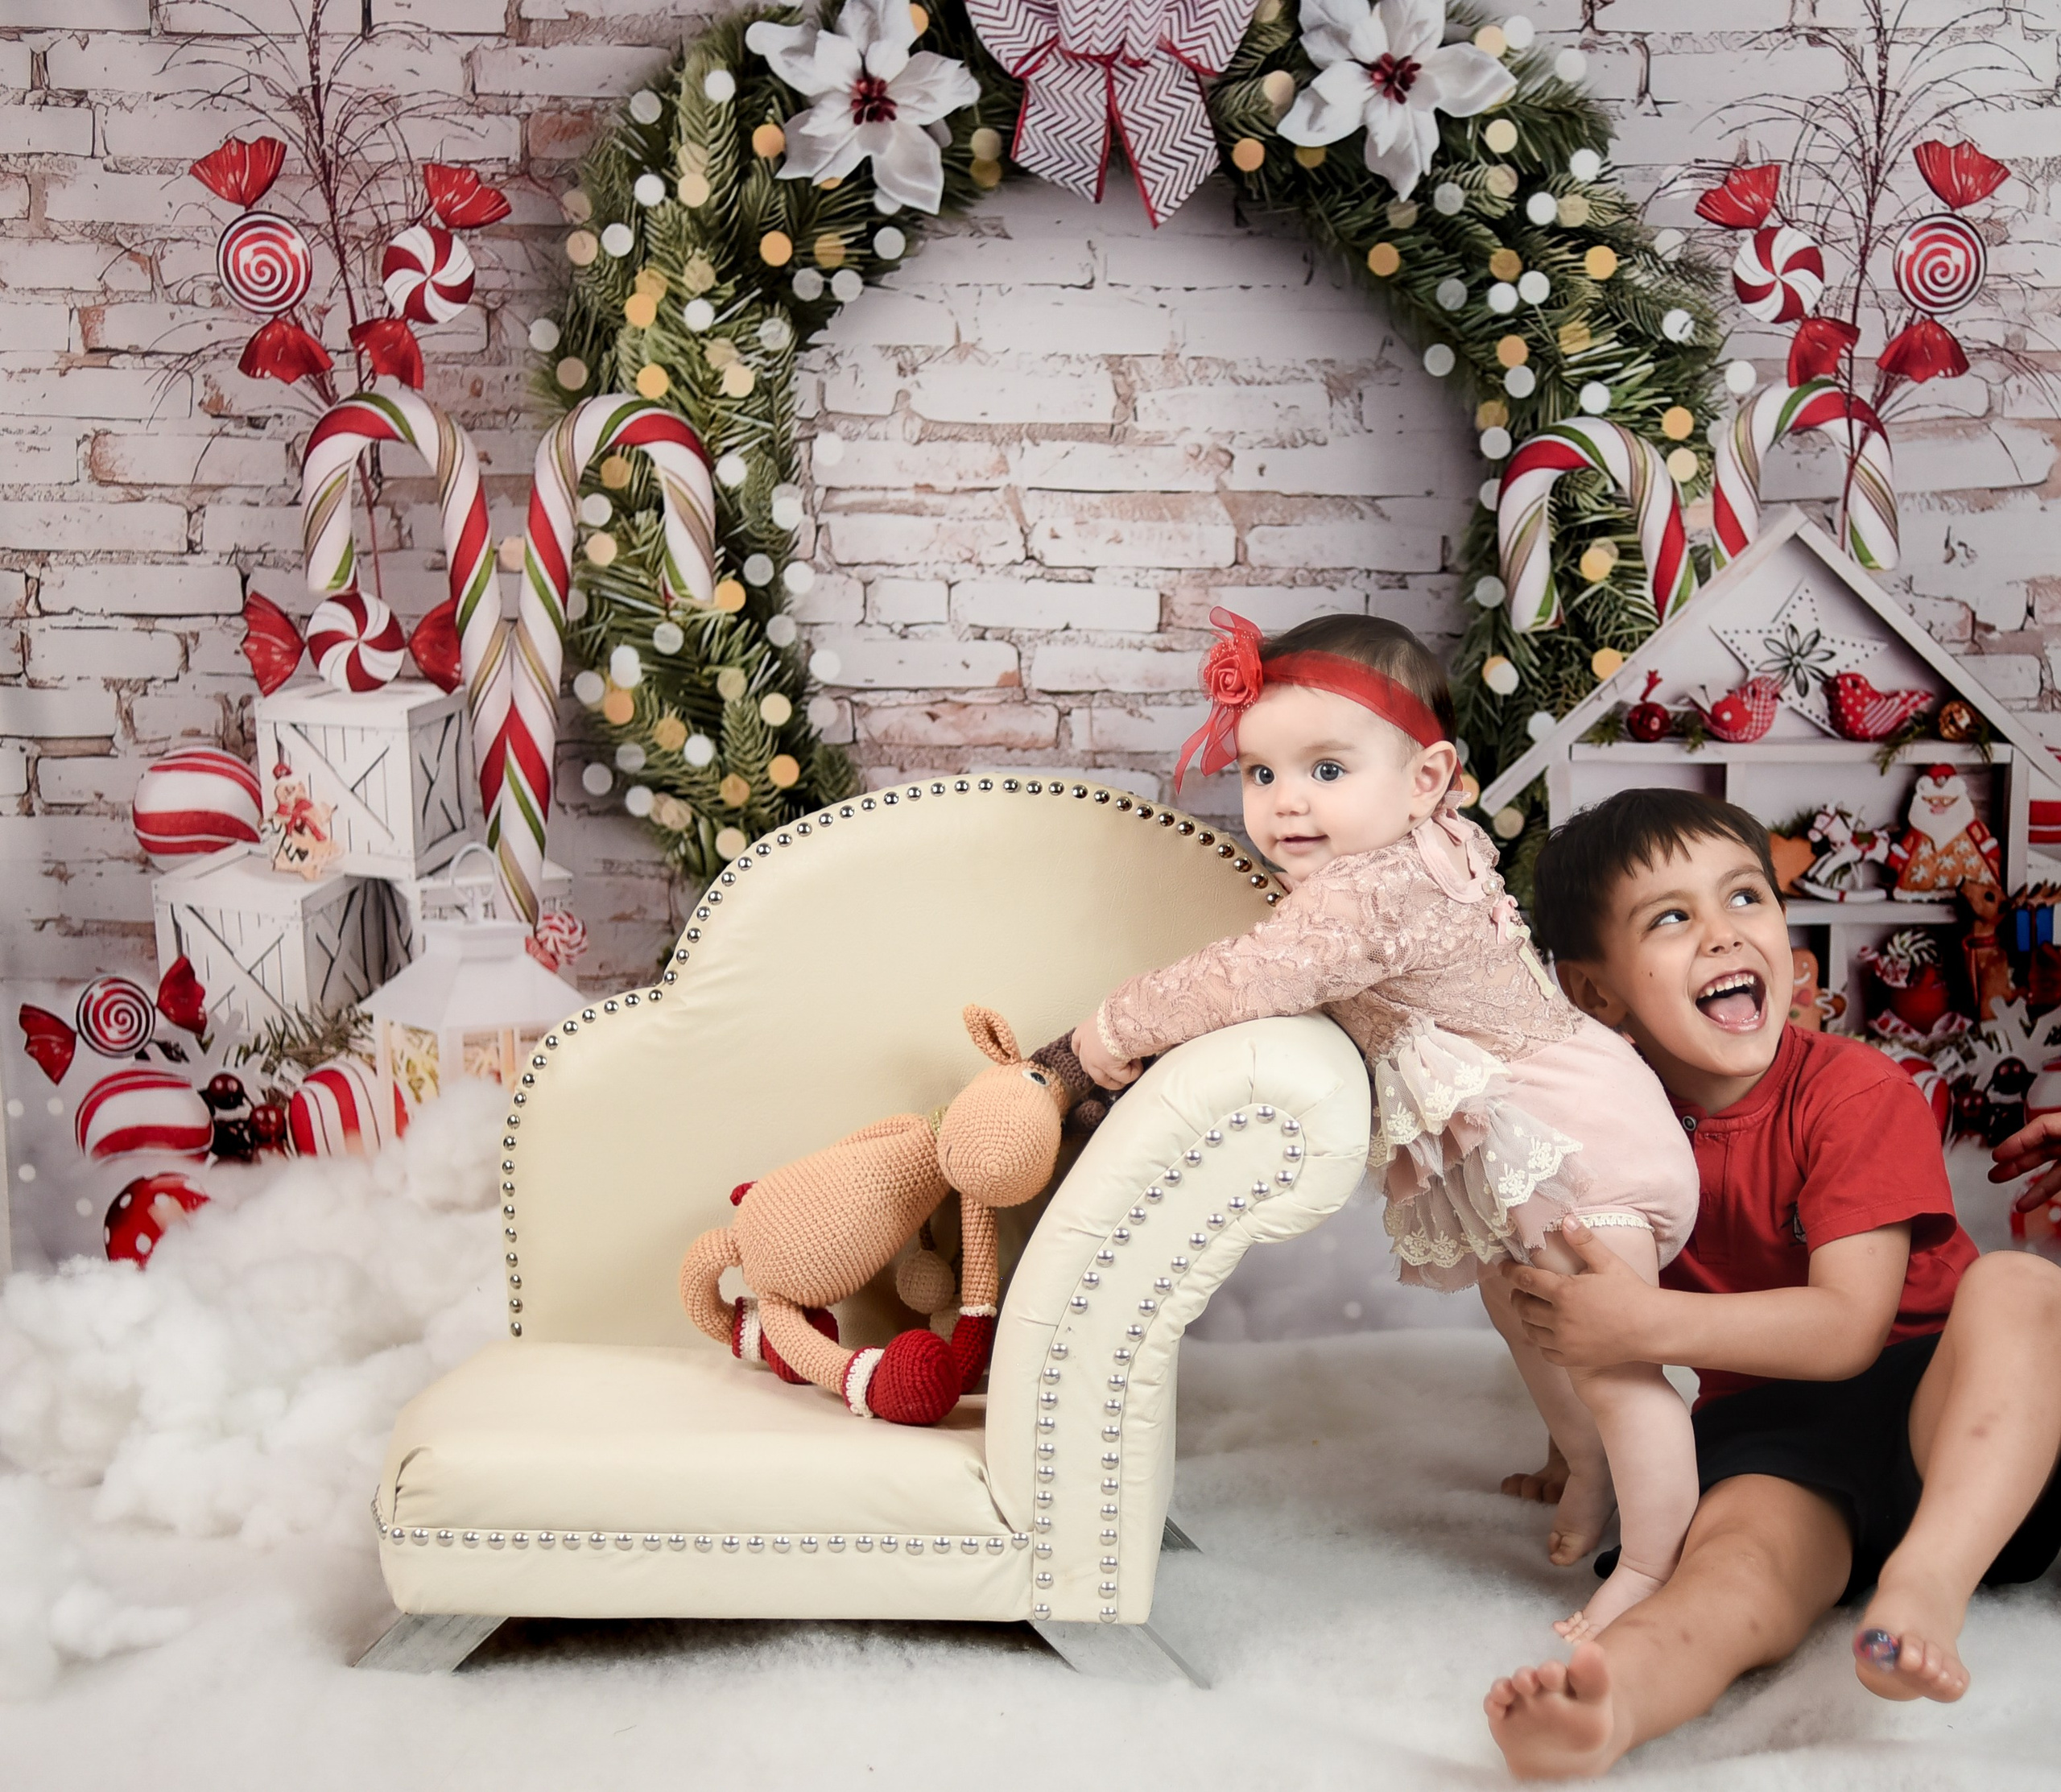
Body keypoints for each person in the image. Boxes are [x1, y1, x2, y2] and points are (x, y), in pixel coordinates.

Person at [1068, 609, 1700, 1639]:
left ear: (1426, 781)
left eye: (1325, 770)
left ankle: (1658, 1568)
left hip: (1582, 1138)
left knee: (1616, 1360)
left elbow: (1250, 975)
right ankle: (1581, 1464)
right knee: (1523, 1312)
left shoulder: (1374, 893)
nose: (1284, 805)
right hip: (1524, 1137)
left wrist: (1103, 1035)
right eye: (1260, 774)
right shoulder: (1402, 849)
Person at [1482, 787, 2061, 1779]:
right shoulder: (1607, 1133)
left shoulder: (1854, 1091)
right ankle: (1606, 1708)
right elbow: (1580, 1292)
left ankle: (1925, 1584)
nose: (1721, 935)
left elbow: (1847, 1329)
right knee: (1725, 1579)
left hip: (1946, 1409)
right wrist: (1569, 1440)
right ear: (1594, 995)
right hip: (1772, 1436)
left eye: (1744, 898)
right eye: (1671, 918)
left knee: (2018, 1290)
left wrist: (1639, 1322)